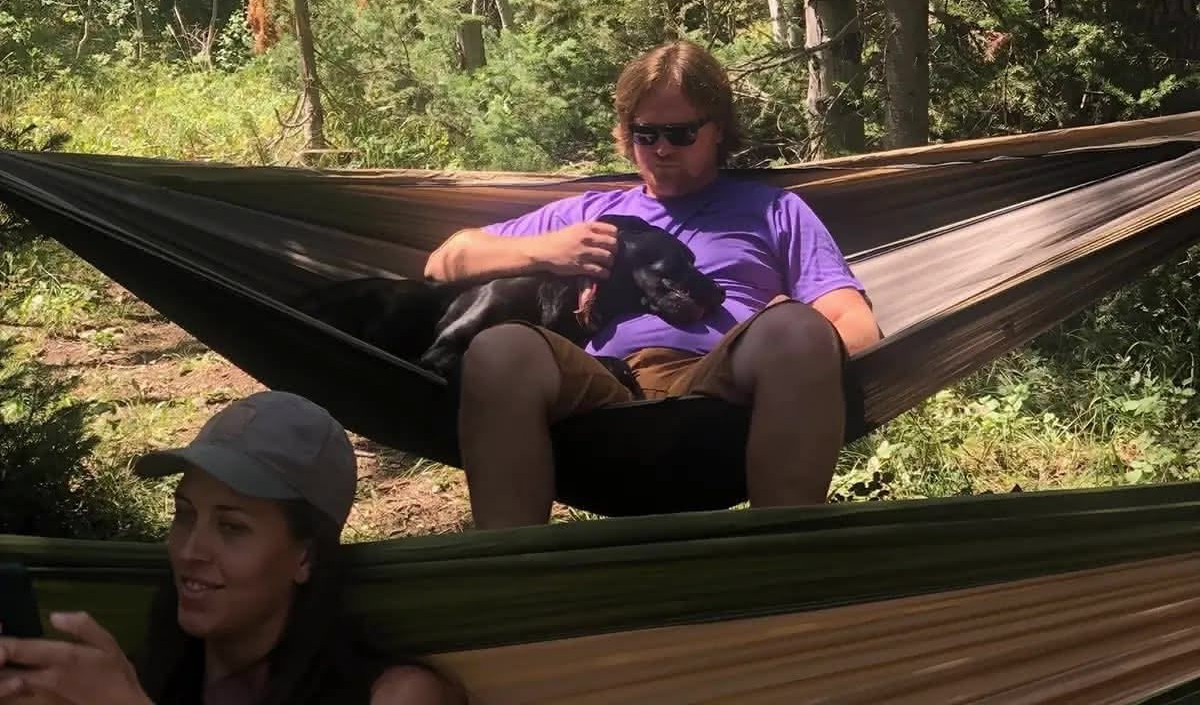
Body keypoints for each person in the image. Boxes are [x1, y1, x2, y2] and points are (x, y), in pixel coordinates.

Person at [427, 41, 881, 529]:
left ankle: (782, 557)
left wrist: (788, 336)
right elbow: (443, 261)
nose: (662, 148)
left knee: (797, 329)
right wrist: (548, 251)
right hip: (598, 386)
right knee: (499, 350)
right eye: (646, 133)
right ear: (627, 134)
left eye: (681, 132)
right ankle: (510, 575)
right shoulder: (588, 214)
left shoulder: (773, 211)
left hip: (722, 389)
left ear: (718, 130)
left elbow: (855, 325)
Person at [0, 391, 460, 705]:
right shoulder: (147, 676)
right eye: (185, 515)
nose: (190, 550)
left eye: (232, 527)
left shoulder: (392, 696)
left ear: (307, 556)